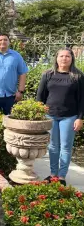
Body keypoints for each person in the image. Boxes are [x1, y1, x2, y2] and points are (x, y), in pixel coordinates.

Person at [37, 48, 84, 186]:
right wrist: (40, 112)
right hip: (50, 116)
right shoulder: (47, 75)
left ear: (71, 59)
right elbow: (40, 96)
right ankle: (53, 174)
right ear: (56, 58)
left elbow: (82, 100)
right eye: (61, 56)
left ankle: (62, 176)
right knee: (52, 146)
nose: (64, 58)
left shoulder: (78, 76)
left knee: (65, 147)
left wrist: (80, 118)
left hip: (69, 117)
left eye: (67, 56)